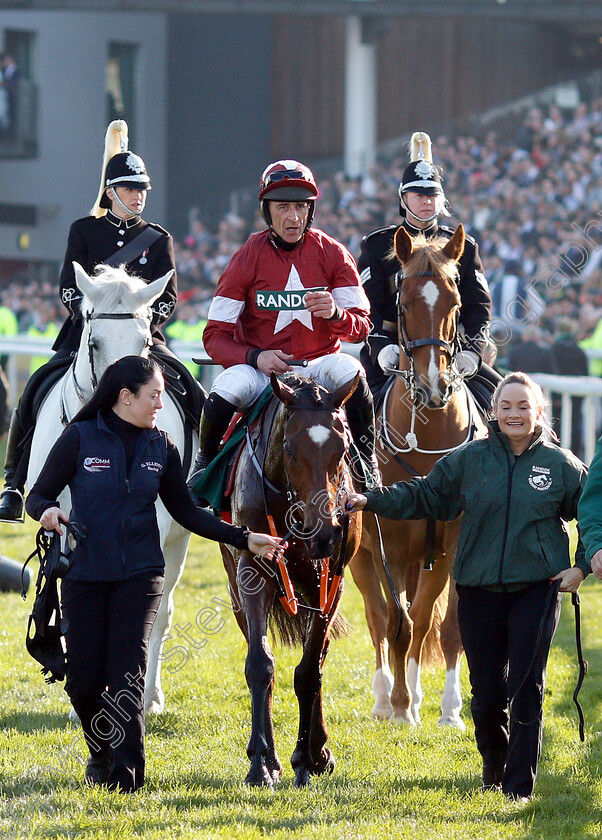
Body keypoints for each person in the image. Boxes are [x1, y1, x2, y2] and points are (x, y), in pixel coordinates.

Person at [25, 355, 282, 793]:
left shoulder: (162, 446)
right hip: (85, 575)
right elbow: (39, 495)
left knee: (128, 675)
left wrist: (243, 538)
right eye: (155, 396)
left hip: (141, 576)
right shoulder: (80, 438)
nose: (160, 405)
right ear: (126, 397)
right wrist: (48, 510)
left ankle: (127, 777)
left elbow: (185, 511)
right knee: (85, 683)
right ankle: (101, 754)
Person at [343, 371, 589, 802]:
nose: (514, 414)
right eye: (506, 406)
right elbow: (424, 495)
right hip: (477, 590)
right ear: (493, 412)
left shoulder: (561, 465)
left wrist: (582, 566)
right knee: (488, 694)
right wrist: (372, 499)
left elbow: (592, 514)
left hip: (536, 590)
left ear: (538, 412)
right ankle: (494, 771)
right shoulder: (469, 460)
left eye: (523, 406)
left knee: (527, 688)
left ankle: (518, 787)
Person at [0, 119, 198, 522]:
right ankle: (12, 484)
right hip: (89, 331)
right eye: (130, 188)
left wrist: (142, 320)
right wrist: (90, 316)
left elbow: (170, 296)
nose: (138, 196)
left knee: (194, 392)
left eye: (142, 189)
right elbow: (68, 287)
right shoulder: (84, 230)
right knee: (34, 391)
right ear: (111, 192)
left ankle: (204, 478)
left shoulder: (159, 239)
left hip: (141, 335)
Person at [187, 159, 379, 495]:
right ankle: (204, 465)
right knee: (226, 388)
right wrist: (255, 357)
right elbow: (214, 337)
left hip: (319, 363)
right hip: (262, 370)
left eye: (301, 207)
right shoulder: (246, 257)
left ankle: (367, 462)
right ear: (266, 210)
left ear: (311, 210)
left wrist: (336, 315)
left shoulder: (333, 253)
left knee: (354, 372)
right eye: (283, 207)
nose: (293, 217)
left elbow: (361, 329)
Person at [358, 132, 499, 409]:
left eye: (432, 195)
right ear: (403, 199)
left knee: (505, 402)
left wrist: (472, 352)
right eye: (419, 195)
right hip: (389, 352)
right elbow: (365, 307)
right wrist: (380, 347)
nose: (426, 201)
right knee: (352, 415)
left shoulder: (463, 247)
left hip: (450, 352)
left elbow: (478, 306)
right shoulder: (377, 246)